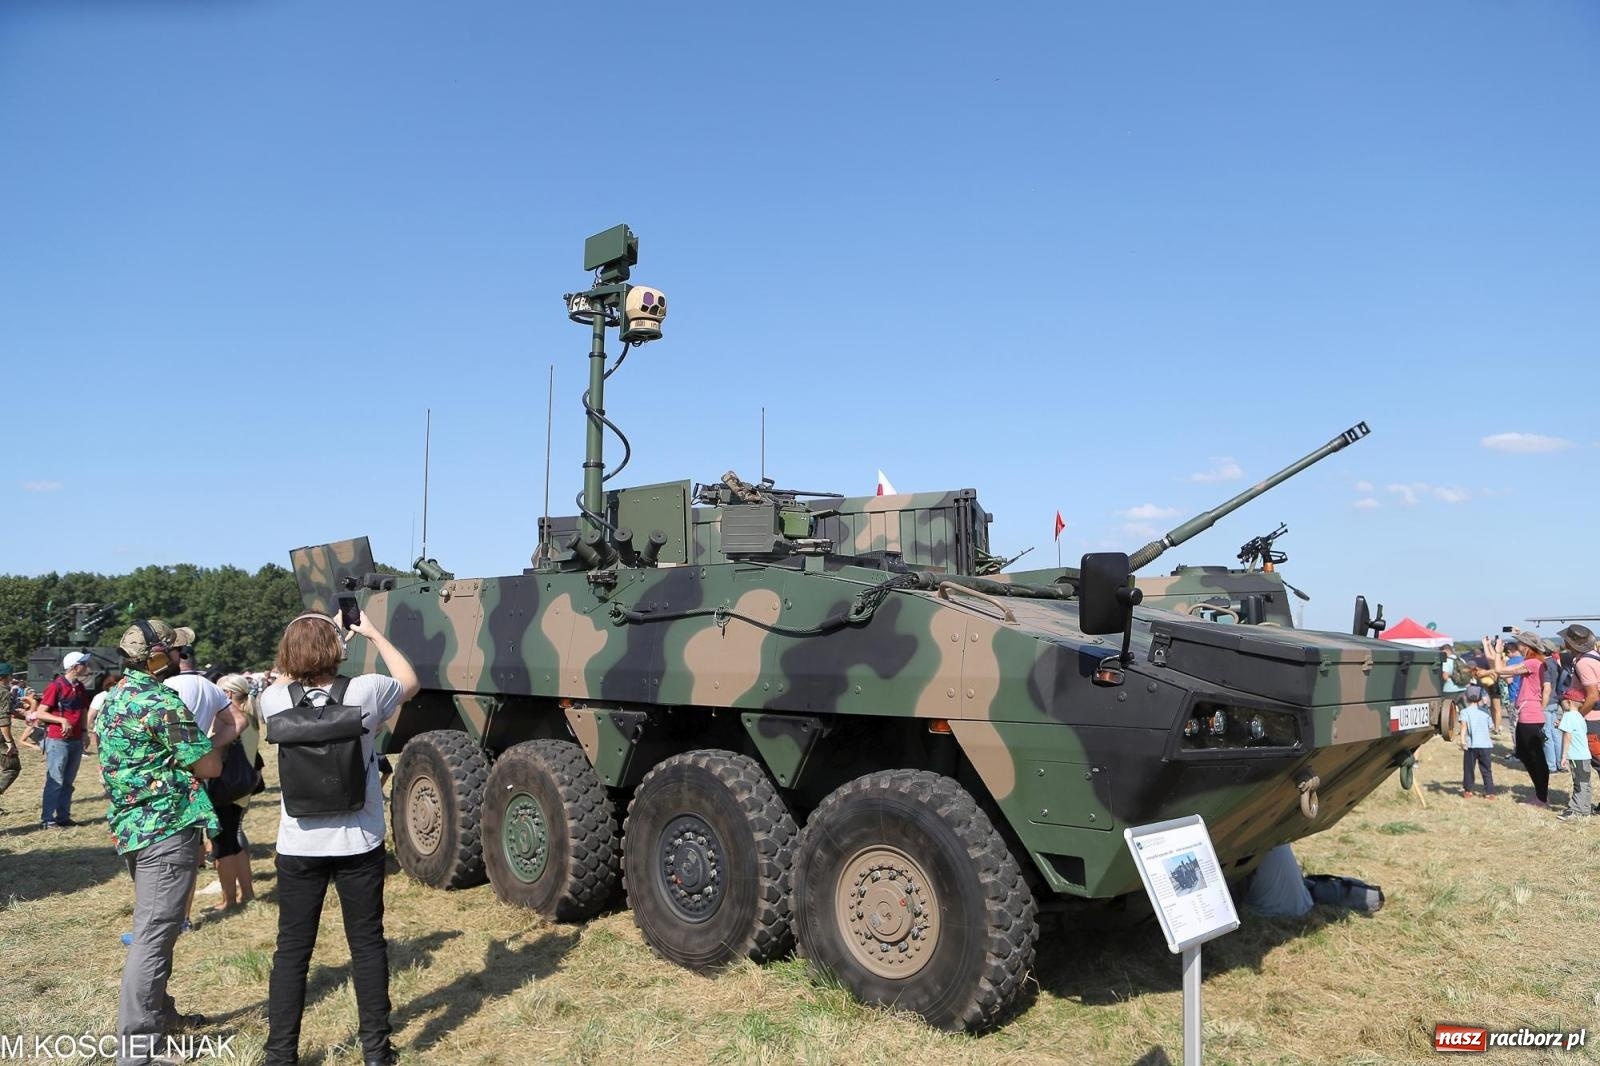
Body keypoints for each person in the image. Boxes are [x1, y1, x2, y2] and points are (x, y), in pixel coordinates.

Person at [259, 610, 419, 1066]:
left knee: (292, 951)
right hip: (358, 840)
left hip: (298, 843)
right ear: (338, 649)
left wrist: (308, 634)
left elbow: (287, 674)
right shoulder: (366, 690)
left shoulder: (273, 699)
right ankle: (376, 1051)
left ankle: (280, 1054)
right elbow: (410, 680)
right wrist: (371, 633)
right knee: (366, 945)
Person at [96, 619, 221, 1066]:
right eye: (173, 650)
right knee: (153, 936)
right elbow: (208, 766)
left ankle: (160, 1016)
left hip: (135, 829)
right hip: (166, 830)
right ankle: (138, 1050)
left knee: (158, 930)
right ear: (154, 656)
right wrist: (216, 742)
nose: (179, 656)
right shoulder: (161, 701)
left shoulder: (116, 697)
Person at [210, 674, 261, 911]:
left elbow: (215, 749)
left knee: (222, 846)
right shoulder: (251, 717)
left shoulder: (229, 719)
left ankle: (228, 900)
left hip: (223, 788)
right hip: (241, 788)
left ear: (227, 694)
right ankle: (247, 893)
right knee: (234, 841)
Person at [1485, 634, 1549, 806]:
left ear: (1526, 645)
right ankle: (1541, 794)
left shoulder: (1532, 663)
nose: (1518, 644)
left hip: (1530, 714)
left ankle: (1542, 797)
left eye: (1520, 642)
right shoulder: (1534, 662)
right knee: (1524, 753)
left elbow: (1500, 671)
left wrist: (1498, 651)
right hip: (1528, 713)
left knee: (1534, 756)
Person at [34, 651, 92, 829]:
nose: (87, 667)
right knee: (56, 781)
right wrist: (62, 720)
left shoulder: (79, 687)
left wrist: (84, 731)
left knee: (67, 782)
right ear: (74, 667)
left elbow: (83, 710)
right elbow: (40, 713)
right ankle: (48, 819)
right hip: (57, 740)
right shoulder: (56, 686)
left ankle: (63, 817)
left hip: (75, 739)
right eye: (83, 663)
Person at [1556, 696, 1591, 821]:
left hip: (1576, 756)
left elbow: (1568, 736)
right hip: (1585, 756)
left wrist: (1564, 756)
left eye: (1562, 701)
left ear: (1569, 702)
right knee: (1585, 783)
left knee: (1579, 784)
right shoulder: (1580, 716)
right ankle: (1585, 809)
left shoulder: (1568, 715)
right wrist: (1561, 725)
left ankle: (1576, 810)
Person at [1458, 684, 1496, 798]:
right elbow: (1491, 727)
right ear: (1480, 698)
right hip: (1485, 745)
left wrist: (1462, 741)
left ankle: (1468, 790)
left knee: (1469, 769)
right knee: (1486, 769)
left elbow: (1463, 728)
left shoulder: (1464, 712)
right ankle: (1489, 792)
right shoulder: (1485, 712)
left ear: (1466, 698)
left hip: (1471, 745)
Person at [86, 671, 121, 757]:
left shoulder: (125, 696)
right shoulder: (101, 696)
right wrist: (85, 732)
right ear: (108, 685)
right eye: (114, 684)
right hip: (103, 731)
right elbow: (90, 715)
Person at [0, 663, 19, 809]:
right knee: (12, 767)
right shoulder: (4, 693)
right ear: (6, 677)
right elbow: (3, 720)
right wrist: (9, 742)